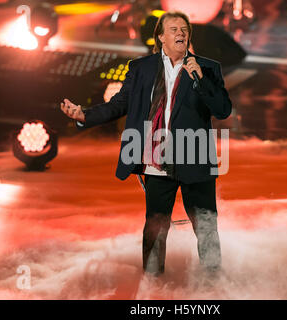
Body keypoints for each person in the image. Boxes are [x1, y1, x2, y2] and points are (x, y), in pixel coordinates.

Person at [60, 11, 232, 276]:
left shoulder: (207, 68)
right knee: (155, 225)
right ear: (160, 37)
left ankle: (214, 282)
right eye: (173, 29)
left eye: (184, 29)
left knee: (206, 226)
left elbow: (222, 110)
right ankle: (153, 282)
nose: (180, 33)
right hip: (157, 160)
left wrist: (202, 81)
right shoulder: (142, 68)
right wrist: (85, 115)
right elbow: (120, 104)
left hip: (194, 158)